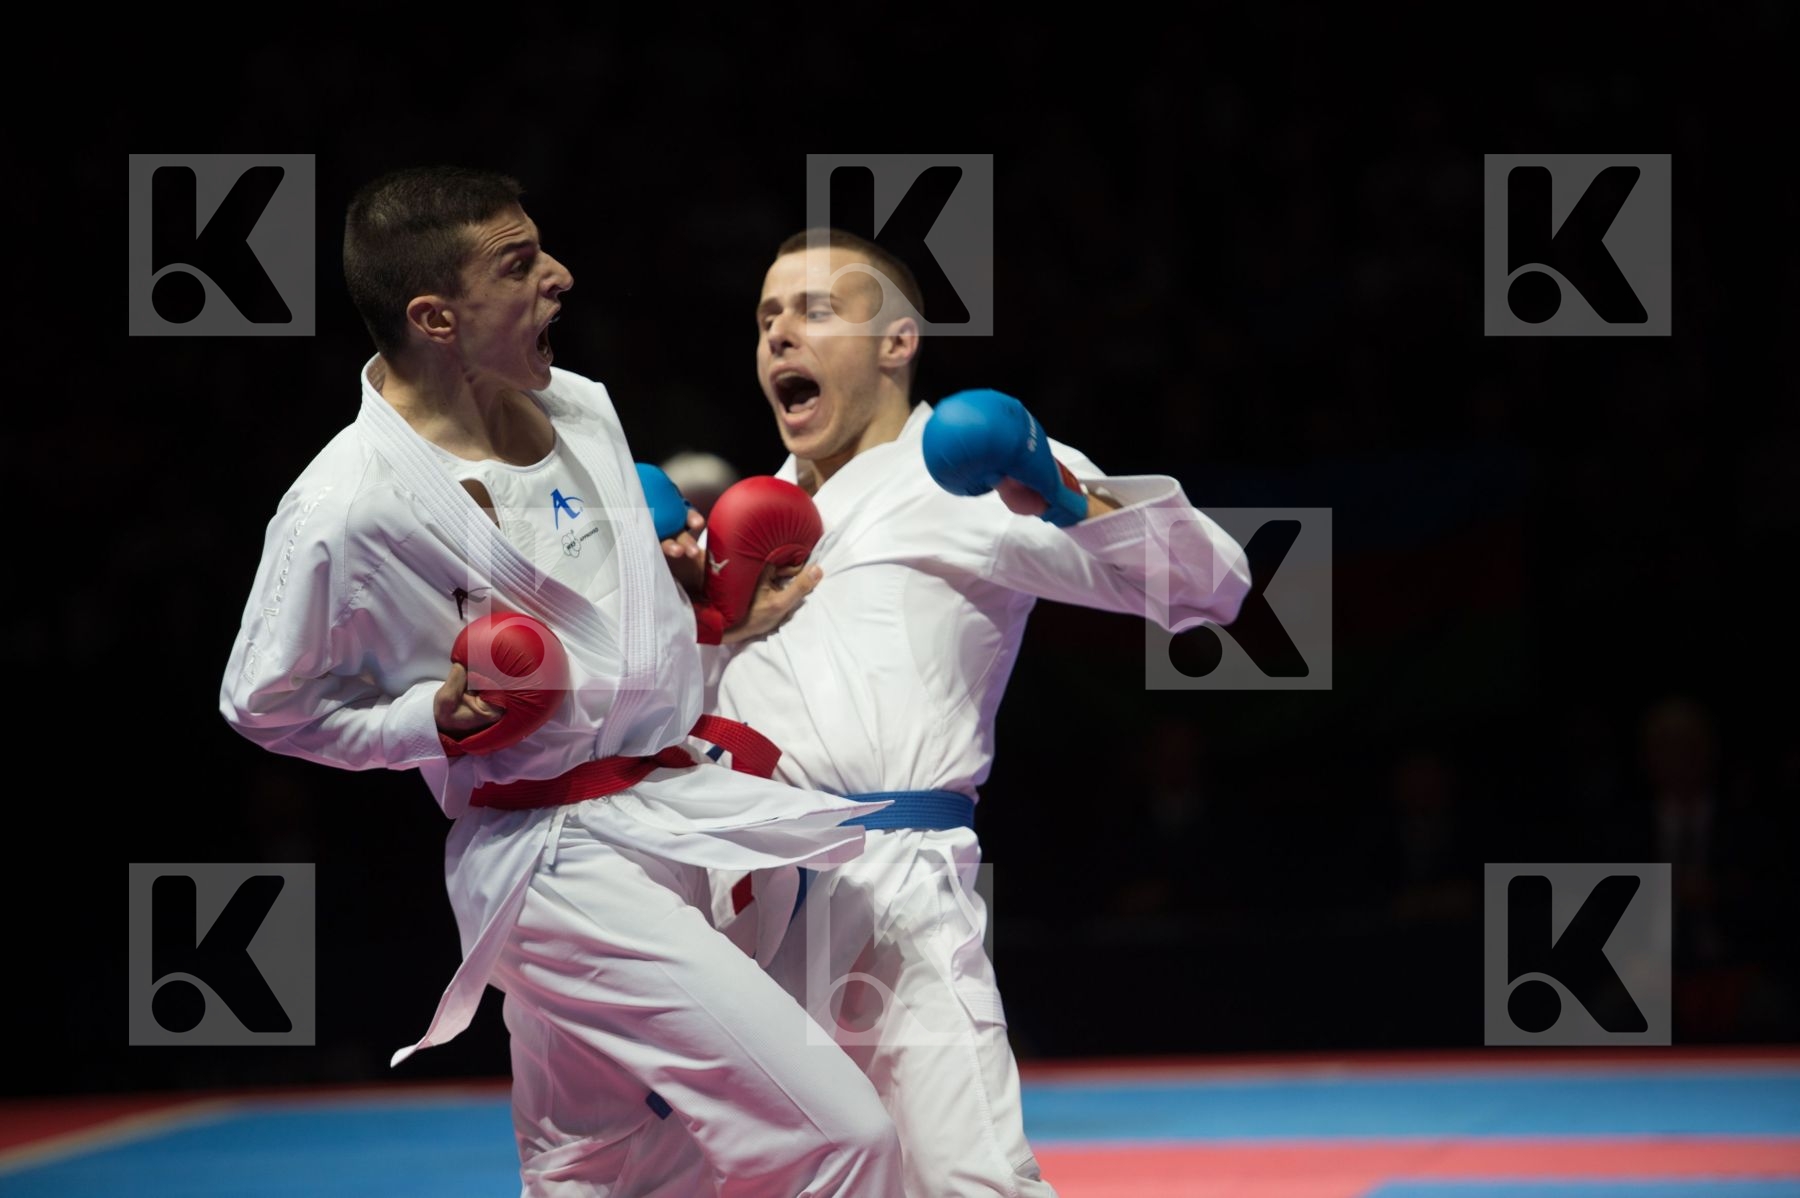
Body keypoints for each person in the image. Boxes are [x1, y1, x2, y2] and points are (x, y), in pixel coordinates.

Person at [218, 168, 905, 1197]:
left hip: (661, 811)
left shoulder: (582, 407)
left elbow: (614, 631)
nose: (559, 277)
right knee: (838, 1131)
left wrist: (699, 612)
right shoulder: (344, 506)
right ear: (435, 317)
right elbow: (262, 702)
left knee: (606, 1161)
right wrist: (429, 718)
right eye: (520, 263)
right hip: (545, 859)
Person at [695, 228, 1253, 1196]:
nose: (780, 332)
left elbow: (1215, 590)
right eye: (766, 318)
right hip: (744, 895)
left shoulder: (963, 471)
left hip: (899, 887)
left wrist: (1062, 491)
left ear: (897, 343)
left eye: (815, 310)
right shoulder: (755, 517)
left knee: (965, 1178)